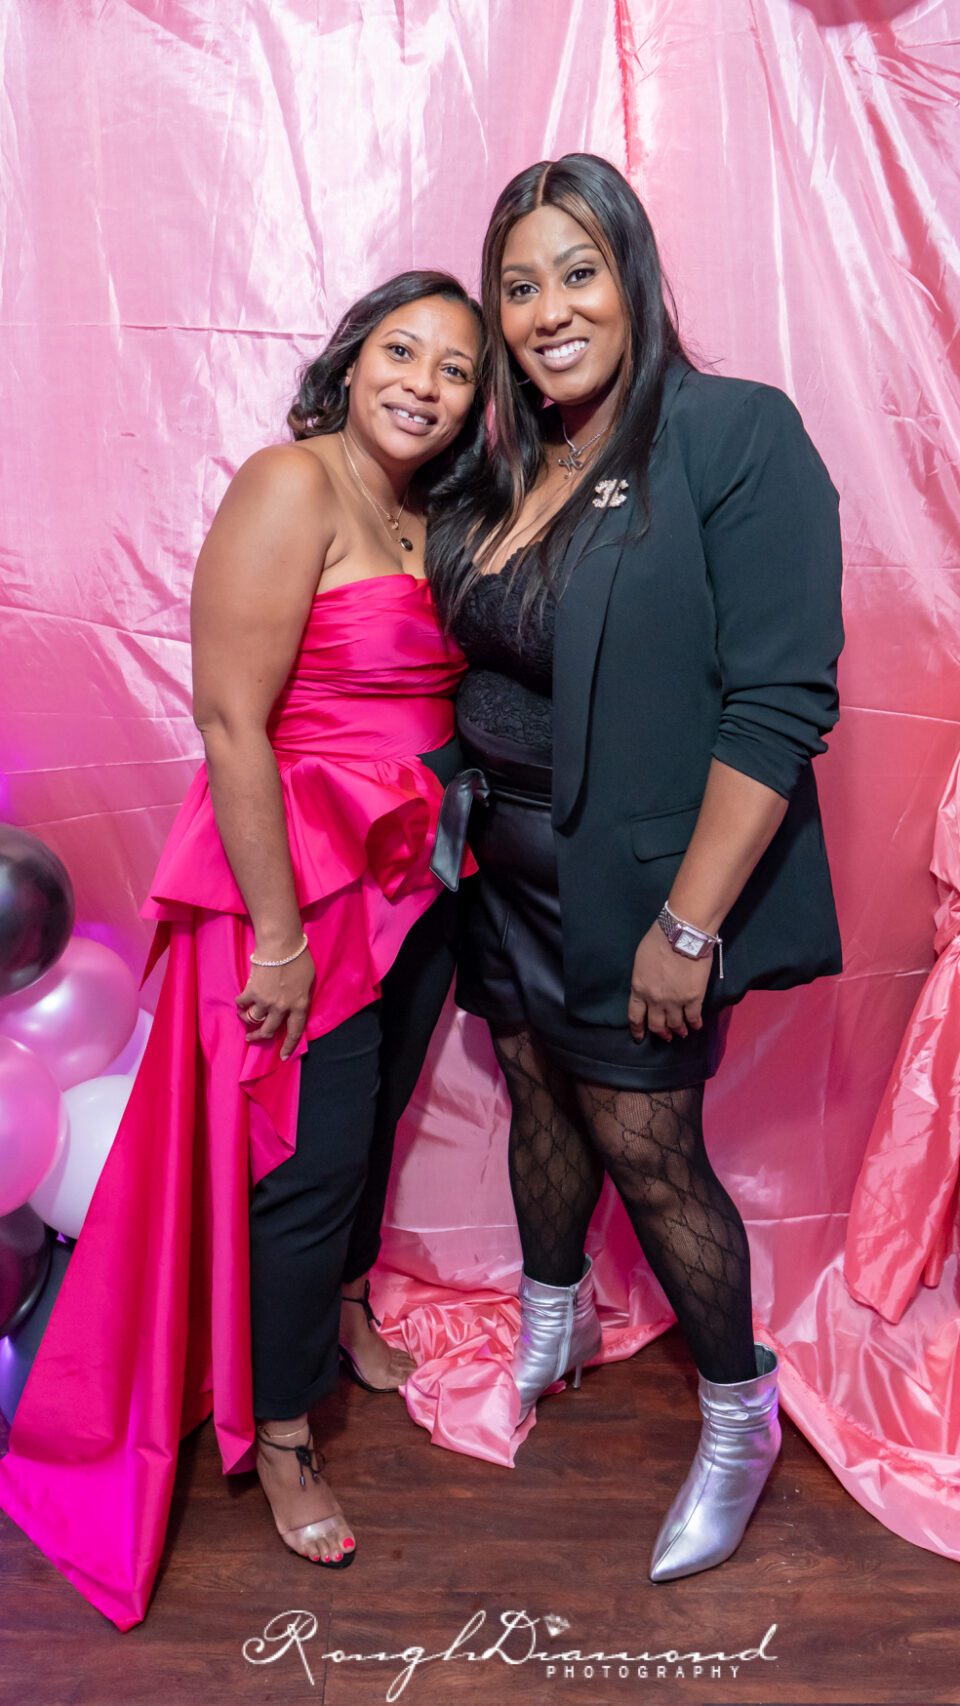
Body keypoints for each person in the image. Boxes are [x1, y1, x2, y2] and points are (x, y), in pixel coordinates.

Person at [0, 271, 482, 1623]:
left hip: (413, 874)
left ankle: (340, 1307)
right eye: (403, 351)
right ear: (354, 357)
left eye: (455, 369)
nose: (424, 385)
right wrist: (275, 938)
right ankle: (279, 1432)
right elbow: (230, 721)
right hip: (306, 889)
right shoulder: (290, 483)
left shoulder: (418, 509)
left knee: (375, 1119)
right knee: (307, 1162)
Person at [427, 155, 843, 1583]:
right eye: (520, 284)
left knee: (649, 1150)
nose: (550, 309)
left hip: (640, 893)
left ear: (635, 276)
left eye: (578, 272)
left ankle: (739, 1415)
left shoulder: (731, 432)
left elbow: (778, 704)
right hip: (501, 875)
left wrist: (690, 924)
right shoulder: (514, 462)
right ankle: (552, 1322)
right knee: (534, 1094)